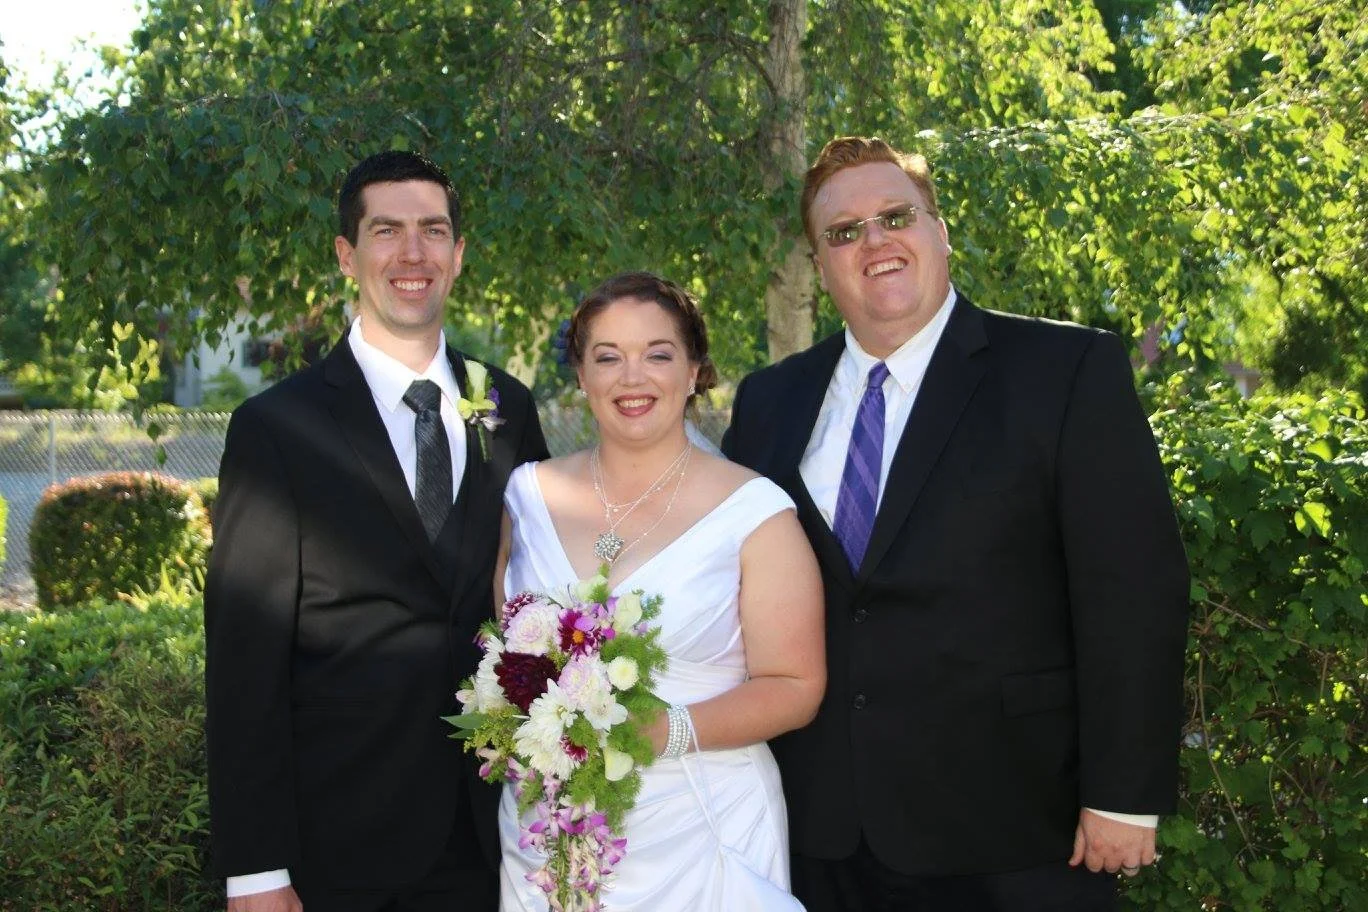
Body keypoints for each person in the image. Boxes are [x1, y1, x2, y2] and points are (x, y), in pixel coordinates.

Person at [722, 136, 1190, 911]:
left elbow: (1134, 589)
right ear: (818, 261)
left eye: (895, 216)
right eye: (843, 232)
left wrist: (1124, 794)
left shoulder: (1065, 371)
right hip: (821, 829)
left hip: (1016, 825)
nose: (873, 242)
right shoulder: (771, 401)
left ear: (940, 231)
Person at [204, 150, 548, 912]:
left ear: (459, 254)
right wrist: (257, 872)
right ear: (346, 254)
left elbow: (542, 593)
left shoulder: (506, 406)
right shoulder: (276, 429)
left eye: (433, 230)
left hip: (499, 837)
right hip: (341, 849)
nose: (412, 253)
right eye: (386, 230)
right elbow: (242, 664)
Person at [495, 271, 826, 911]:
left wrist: (667, 731)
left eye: (658, 354)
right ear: (582, 376)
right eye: (608, 357)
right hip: (551, 838)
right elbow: (505, 656)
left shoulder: (756, 512)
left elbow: (797, 686)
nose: (632, 377)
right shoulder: (526, 495)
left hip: (704, 831)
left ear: (696, 369)